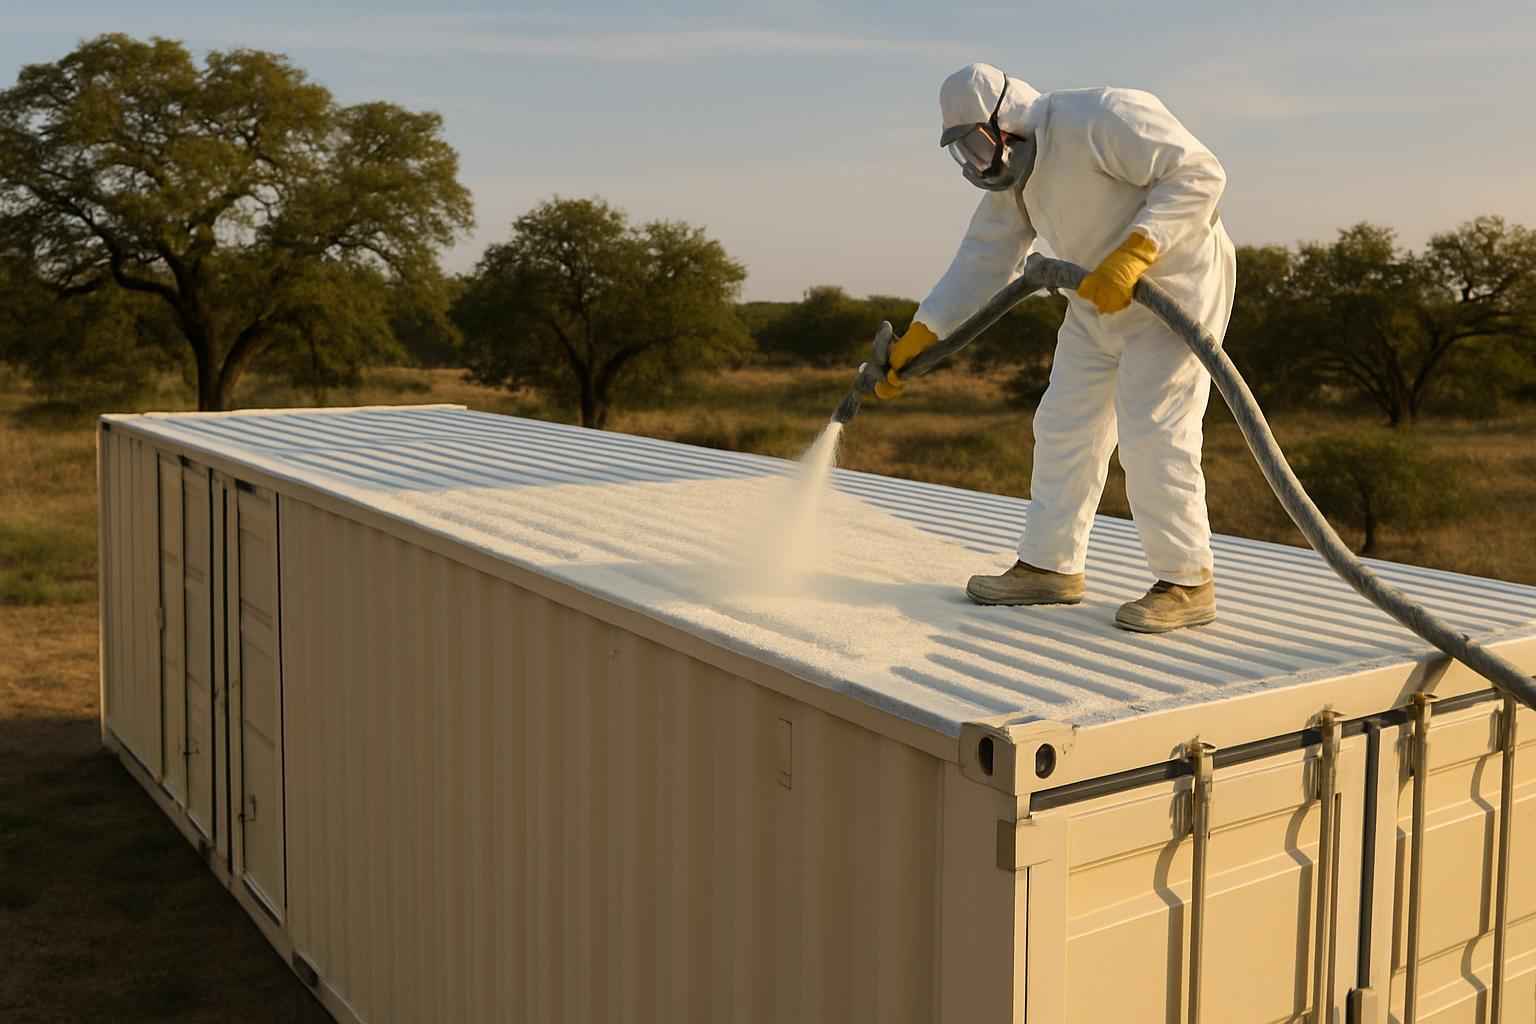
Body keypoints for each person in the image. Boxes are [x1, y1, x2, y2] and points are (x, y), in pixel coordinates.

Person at [877, 62, 1236, 633]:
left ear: (1006, 121)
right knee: (1065, 425)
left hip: (1175, 296)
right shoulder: (1017, 177)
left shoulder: (1102, 115)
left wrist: (1138, 250)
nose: (975, 162)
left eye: (976, 144)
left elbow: (1198, 174)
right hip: (1094, 300)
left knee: (1151, 432)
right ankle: (1049, 567)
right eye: (961, 153)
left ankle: (1188, 581)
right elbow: (983, 260)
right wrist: (926, 332)